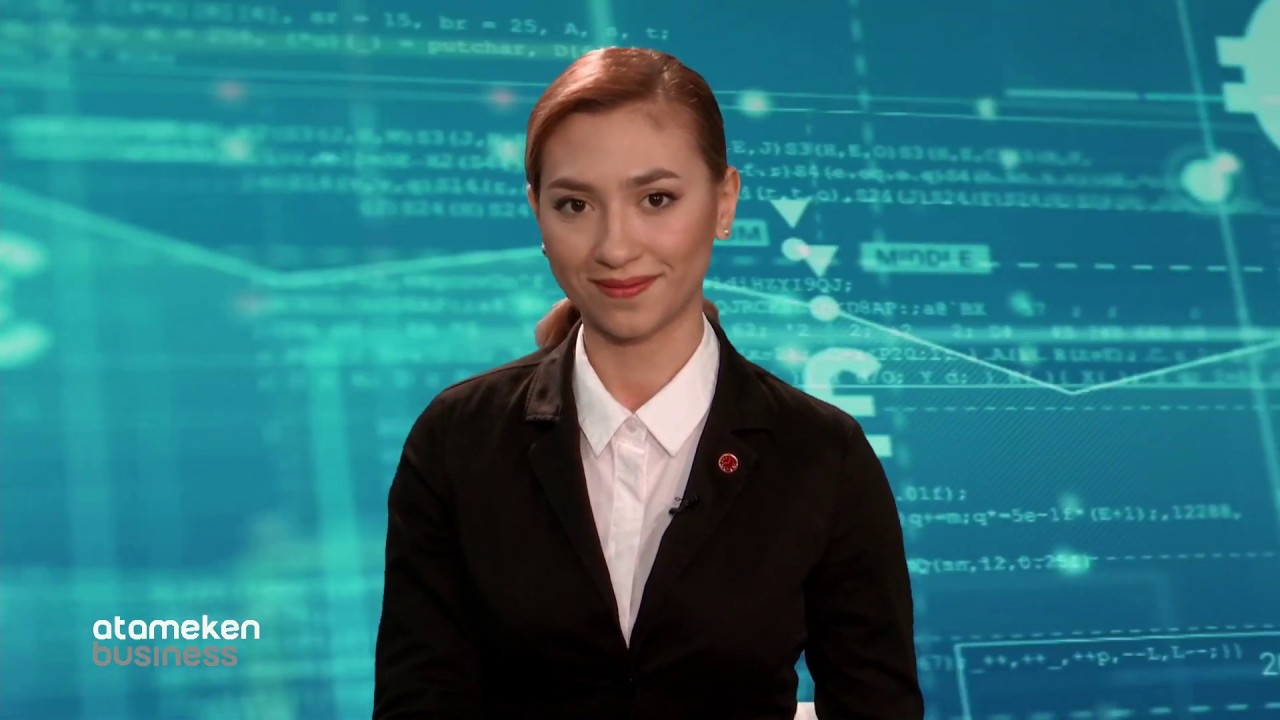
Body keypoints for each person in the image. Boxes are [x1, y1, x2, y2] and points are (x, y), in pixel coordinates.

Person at [373, 47, 923, 720]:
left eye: (656, 199)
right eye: (575, 204)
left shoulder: (823, 455)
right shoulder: (458, 440)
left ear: (724, 202)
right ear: (537, 212)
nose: (615, 246)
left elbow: (876, 705)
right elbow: (418, 699)